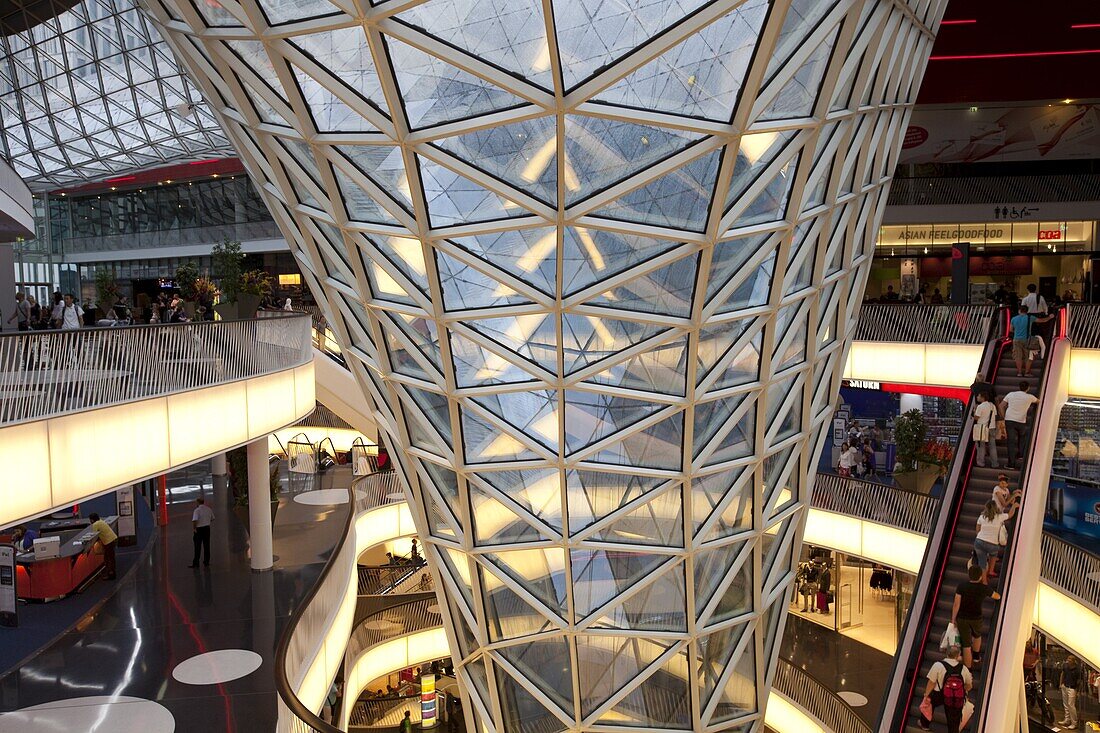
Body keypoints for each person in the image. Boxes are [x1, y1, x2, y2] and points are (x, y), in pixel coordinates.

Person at [953, 564, 1000, 670]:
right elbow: (997, 596)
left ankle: (968, 669)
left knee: (966, 644)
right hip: (976, 618)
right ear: (980, 576)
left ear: (969, 575)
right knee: (977, 636)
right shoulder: (983, 588)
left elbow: (956, 604)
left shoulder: (961, 586)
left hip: (962, 618)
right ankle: (976, 656)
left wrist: (953, 619)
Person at [918, 645, 973, 732]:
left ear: (946, 653)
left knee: (929, 703)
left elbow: (931, 682)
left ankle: (924, 725)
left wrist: (926, 695)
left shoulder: (938, 665)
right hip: (954, 697)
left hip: (939, 694)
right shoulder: (964, 669)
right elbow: (969, 686)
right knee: (954, 718)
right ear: (958, 655)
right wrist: (960, 691)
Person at [999, 381, 1040, 469]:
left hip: (1009, 419)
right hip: (1021, 421)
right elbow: (1039, 401)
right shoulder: (1030, 397)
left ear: (1019, 387)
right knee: (1022, 437)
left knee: (1011, 442)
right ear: (1028, 388)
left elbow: (1001, 405)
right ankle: (1021, 454)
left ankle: (1011, 464)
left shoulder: (1010, 394)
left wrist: (1003, 416)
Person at [974, 500, 1008, 583]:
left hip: (979, 542)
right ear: (995, 508)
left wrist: (983, 537)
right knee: (993, 554)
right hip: (992, 544)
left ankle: (984, 582)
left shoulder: (982, 517)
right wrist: (1014, 506)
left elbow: (977, 530)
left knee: (982, 563)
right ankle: (991, 571)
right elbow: (1010, 514)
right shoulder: (999, 517)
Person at [87, 512, 118, 580]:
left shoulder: (95, 524)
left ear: (92, 520)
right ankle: (112, 572)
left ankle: (111, 574)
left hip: (108, 542)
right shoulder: (101, 521)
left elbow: (94, 535)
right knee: (110, 558)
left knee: (108, 559)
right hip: (113, 539)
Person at [972, 393, 999, 468]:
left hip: (982, 428)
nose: (977, 397)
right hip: (992, 427)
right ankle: (995, 463)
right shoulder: (992, 405)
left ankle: (981, 462)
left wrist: (974, 410)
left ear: (983, 397)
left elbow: (976, 418)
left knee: (981, 446)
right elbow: (995, 415)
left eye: (979, 396)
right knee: (992, 446)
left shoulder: (980, 406)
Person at [189, 496, 215, 568]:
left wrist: (194, 528)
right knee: (207, 545)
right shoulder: (209, 509)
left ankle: (196, 562)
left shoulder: (197, 510)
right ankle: (206, 561)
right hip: (207, 528)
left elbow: (194, 520)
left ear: (197, 503)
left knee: (197, 546)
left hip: (199, 529)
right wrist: (206, 521)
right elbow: (212, 518)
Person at [1059, 655, 1081, 729]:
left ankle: (1074, 723)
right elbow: (1062, 674)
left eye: (1070, 659)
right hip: (1065, 686)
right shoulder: (1065, 666)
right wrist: (1060, 684)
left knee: (1071, 705)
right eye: (1068, 658)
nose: (1068, 660)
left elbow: (1079, 681)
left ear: (1074, 661)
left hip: (1072, 688)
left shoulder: (1077, 669)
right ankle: (1067, 720)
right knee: (1065, 704)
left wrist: (1078, 690)